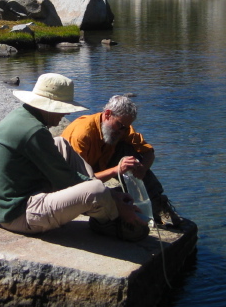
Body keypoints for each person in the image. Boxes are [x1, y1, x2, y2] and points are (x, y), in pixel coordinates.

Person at [0, 73, 148, 241]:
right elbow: (66, 179)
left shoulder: (23, 118)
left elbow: (64, 174)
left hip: (11, 202)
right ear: (48, 107)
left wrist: (111, 195)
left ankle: (103, 206)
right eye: (62, 109)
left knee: (61, 143)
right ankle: (110, 219)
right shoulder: (34, 132)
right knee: (96, 190)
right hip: (17, 214)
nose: (65, 114)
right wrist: (113, 198)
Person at [61, 94, 186, 228]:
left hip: (99, 167)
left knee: (130, 154)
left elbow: (148, 152)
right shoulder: (82, 134)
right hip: (74, 182)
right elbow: (80, 181)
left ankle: (157, 204)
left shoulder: (123, 128)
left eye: (125, 128)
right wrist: (116, 170)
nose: (121, 132)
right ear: (108, 114)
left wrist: (142, 169)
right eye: (119, 126)